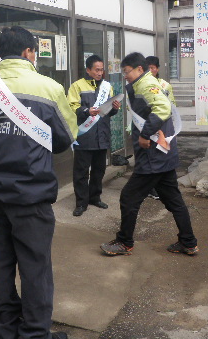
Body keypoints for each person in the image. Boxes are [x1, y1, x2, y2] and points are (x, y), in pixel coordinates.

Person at [0, 26, 77, 339]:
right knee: (35, 267)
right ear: (28, 52)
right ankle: (34, 333)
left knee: (1, 264)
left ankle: (6, 330)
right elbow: (65, 138)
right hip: (32, 197)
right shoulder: (49, 88)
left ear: (1, 52)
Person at [100, 52, 198, 256]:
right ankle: (188, 242)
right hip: (163, 154)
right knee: (174, 201)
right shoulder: (147, 83)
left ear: (139, 69)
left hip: (153, 156)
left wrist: (145, 135)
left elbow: (163, 109)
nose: (125, 76)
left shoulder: (146, 84)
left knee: (129, 197)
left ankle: (124, 242)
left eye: (127, 71)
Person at [67, 54, 121, 217]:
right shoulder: (77, 86)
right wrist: (86, 111)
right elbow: (70, 106)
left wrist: (115, 108)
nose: (100, 73)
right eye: (97, 70)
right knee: (81, 172)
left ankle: (95, 197)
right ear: (88, 70)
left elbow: (108, 112)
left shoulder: (107, 86)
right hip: (84, 135)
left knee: (99, 170)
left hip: (102, 135)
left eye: (102, 70)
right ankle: (81, 203)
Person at [144, 56, 176, 200]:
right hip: (147, 125)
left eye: (153, 68)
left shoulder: (165, 85)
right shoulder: (141, 85)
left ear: (157, 69)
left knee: (162, 154)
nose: (150, 70)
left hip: (162, 126)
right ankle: (149, 188)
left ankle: (160, 186)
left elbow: (172, 105)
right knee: (148, 156)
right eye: (148, 68)